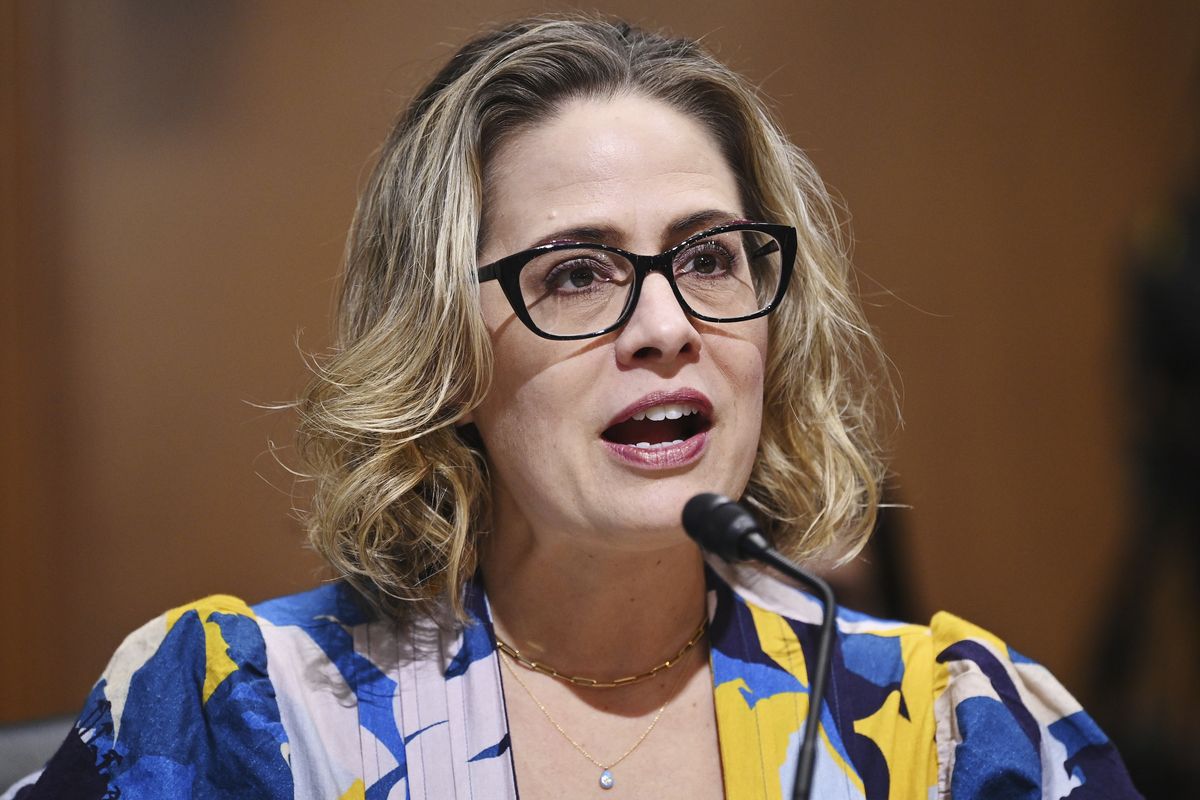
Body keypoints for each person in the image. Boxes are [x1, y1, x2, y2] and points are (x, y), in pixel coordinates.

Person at [5, 15, 1140, 800]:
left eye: (711, 258)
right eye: (575, 274)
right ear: (445, 351)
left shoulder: (961, 735)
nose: (664, 326)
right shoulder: (233, 716)